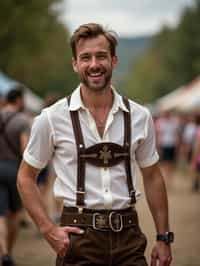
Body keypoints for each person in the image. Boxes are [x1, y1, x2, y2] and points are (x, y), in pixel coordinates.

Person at [17, 23, 173, 266]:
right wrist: (47, 228)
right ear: (75, 64)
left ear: (114, 60)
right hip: (78, 238)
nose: (94, 64)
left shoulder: (140, 116)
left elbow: (153, 176)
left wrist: (164, 237)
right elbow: (26, 177)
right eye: (85, 57)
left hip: (129, 237)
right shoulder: (51, 118)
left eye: (101, 56)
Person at [0, 86, 30, 266]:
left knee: (0, 214)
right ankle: (9, 253)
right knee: (14, 214)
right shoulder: (22, 121)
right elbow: (25, 149)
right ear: (18, 100)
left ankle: (2, 251)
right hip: (13, 169)